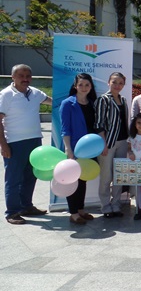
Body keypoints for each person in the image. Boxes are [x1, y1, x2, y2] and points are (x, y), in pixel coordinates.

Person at [0, 64, 51, 224]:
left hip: (35, 141)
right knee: (13, 179)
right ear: (12, 77)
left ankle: (26, 206)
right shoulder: (5, 95)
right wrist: (3, 145)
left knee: (30, 176)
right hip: (14, 143)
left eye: (28, 76)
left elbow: (53, 102)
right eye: (21, 75)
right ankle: (12, 213)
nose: (25, 79)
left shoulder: (35, 93)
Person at [60, 73, 99, 225]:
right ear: (75, 86)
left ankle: (81, 209)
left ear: (91, 87)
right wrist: (68, 149)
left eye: (87, 85)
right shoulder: (67, 104)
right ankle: (73, 212)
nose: (84, 88)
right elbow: (65, 129)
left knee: (83, 179)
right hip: (75, 148)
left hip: (90, 149)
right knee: (72, 180)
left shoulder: (92, 103)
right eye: (81, 85)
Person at [94, 72, 129, 218]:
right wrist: (103, 144)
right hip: (108, 143)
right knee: (106, 176)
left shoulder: (124, 99)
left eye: (120, 83)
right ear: (108, 82)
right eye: (114, 82)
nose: (117, 85)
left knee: (119, 176)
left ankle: (116, 204)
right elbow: (99, 123)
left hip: (122, 142)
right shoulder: (103, 100)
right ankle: (105, 206)